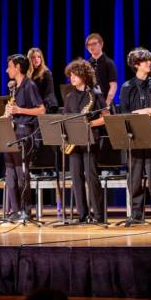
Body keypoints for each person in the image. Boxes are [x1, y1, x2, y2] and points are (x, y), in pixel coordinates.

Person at [119, 48, 151, 224]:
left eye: (150, 60)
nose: (150, 63)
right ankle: (136, 215)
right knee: (134, 179)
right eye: (146, 61)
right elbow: (124, 113)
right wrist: (143, 112)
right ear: (136, 64)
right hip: (134, 137)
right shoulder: (126, 87)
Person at [63, 59, 108, 223]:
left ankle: (98, 215)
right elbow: (66, 119)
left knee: (91, 176)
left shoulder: (94, 95)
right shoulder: (69, 97)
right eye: (70, 75)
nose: (72, 78)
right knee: (76, 177)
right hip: (74, 142)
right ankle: (82, 215)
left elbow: (106, 118)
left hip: (90, 140)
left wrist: (90, 124)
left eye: (75, 75)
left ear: (84, 75)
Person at [3, 54, 46, 220]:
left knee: (22, 172)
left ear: (18, 68)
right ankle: (15, 210)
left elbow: (41, 110)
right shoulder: (14, 88)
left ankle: (26, 211)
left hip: (24, 132)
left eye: (10, 67)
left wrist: (19, 110)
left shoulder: (29, 85)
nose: (7, 70)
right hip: (11, 132)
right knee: (10, 173)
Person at [86, 33, 118, 108]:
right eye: (88, 45)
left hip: (106, 102)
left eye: (94, 44)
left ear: (101, 44)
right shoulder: (87, 64)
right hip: (91, 104)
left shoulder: (109, 63)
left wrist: (106, 104)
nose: (91, 47)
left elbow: (113, 86)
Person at [27, 47, 58, 113]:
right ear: (29, 59)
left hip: (47, 106)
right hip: (35, 105)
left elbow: (49, 93)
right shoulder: (28, 74)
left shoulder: (46, 73)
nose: (36, 59)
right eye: (33, 57)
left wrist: (40, 107)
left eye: (39, 57)